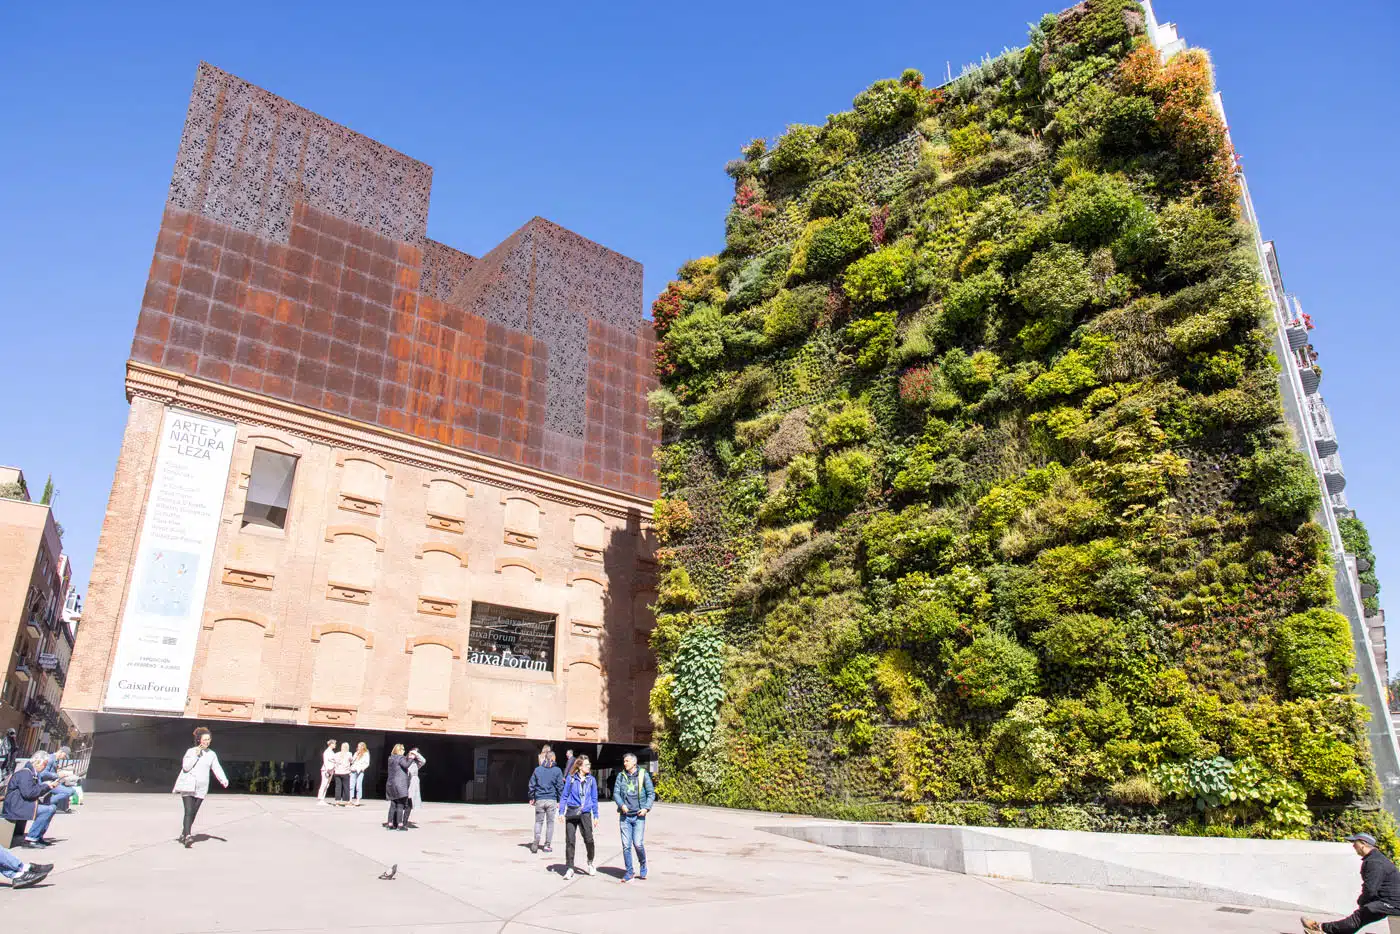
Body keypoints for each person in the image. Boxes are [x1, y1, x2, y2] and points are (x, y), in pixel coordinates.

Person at [1303, 833, 1400, 933]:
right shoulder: (1374, 859)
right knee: (1359, 918)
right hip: (1388, 901)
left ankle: (1320, 928)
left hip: (1392, 903)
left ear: (1363, 844)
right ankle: (1322, 928)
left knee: (1358, 917)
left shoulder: (1375, 862)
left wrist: (1362, 901)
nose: (1353, 845)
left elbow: (1370, 888)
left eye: (1355, 842)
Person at [173, 726, 228, 848]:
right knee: (188, 811)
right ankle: (188, 836)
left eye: (208, 739)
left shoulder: (212, 754)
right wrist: (196, 755)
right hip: (188, 786)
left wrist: (223, 779)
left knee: (193, 812)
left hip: (201, 788)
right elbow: (186, 767)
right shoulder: (191, 751)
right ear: (199, 740)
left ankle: (183, 833)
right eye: (204, 739)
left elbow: (216, 768)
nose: (207, 742)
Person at [613, 752, 655, 882]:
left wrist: (646, 808)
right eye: (624, 761)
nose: (625, 763)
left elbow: (651, 793)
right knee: (626, 845)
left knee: (638, 844)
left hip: (638, 816)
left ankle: (643, 864)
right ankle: (629, 871)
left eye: (627, 761)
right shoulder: (621, 776)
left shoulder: (643, 774)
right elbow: (616, 793)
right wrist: (621, 805)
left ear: (634, 762)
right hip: (625, 816)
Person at [3, 750, 59, 848]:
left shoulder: (31, 773)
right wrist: (46, 786)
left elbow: (32, 791)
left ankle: (38, 836)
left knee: (52, 807)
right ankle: (31, 838)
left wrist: (47, 786)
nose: (45, 767)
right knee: (48, 809)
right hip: (16, 806)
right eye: (44, 764)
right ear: (37, 762)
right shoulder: (25, 773)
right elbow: (29, 793)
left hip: (20, 804)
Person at [559, 754, 598, 881]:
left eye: (589, 764)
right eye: (586, 765)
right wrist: (560, 812)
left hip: (585, 813)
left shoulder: (591, 780)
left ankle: (590, 862)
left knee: (589, 839)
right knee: (570, 840)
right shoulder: (571, 779)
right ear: (580, 766)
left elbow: (594, 798)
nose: (589, 766)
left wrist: (596, 815)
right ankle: (570, 867)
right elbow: (564, 796)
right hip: (572, 812)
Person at [528, 749, 564, 854]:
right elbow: (560, 787)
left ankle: (535, 843)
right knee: (550, 823)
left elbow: (531, 784)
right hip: (551, 800)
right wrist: (560, 800)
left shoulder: (537, 770)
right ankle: (547, 845)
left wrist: (531, 797)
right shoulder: (557, 771)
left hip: (539, 799)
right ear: (553, 758)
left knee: (538, 822)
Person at [38, 748, 76, 814]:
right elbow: (43, 773)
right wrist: (57, 775)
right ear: (61, 752)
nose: (63, 758)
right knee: (70, 791)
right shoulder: (50, 759)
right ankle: (45, 803)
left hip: (52, 782)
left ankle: (48, 803)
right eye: (64, 756)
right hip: (47, 783)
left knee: (68, 789)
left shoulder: (54, 759)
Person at [384, 744, 411, 831]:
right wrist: (411, 758)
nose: (404, 751)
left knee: (393, 805)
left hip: (391, 784)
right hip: (399, 785)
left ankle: (390, 823)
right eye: (403, 749)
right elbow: (406, 765)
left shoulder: (391, 758)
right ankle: (400, 825)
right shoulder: (400, 758)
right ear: (399, 750)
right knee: (400, 804)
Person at [407, 748, 426, 822]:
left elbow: (423, 761)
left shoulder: (416, 764)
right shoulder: (405, 760)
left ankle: (404, 820)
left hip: (413, 782)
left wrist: (416, 754)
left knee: (410, 801)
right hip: (404, 781)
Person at [349, 742, 370, 806]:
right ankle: (350, 799)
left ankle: (358, 800)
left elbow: (367, 763)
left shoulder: (366, 754)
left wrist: (362, 768)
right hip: (353, 770)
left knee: (358, 785)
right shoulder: (356, 753)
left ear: (363, 747)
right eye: (358, 746)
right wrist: (355, 756)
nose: (358, 747)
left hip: (360, 771)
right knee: (351, 785)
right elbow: (352, 761)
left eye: (359, 746)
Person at [317, 739, 336, 803]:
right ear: (331, 744)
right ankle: (320, 798)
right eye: (334, 744)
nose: (335, 745)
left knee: (327, 785)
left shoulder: (332, 752)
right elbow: (325, 761)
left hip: (331, 770)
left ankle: (322, 798)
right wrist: (328, 769)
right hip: (326, 770)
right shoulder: (327, 752)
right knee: (324, 784)